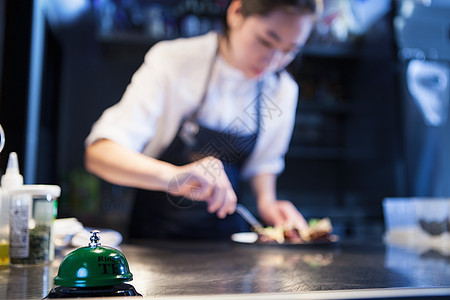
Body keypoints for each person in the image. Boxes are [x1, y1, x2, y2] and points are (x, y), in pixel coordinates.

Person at [85, 0, 322, 239]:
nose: (272, 61)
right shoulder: (174, 61)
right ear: (236, 13)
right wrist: (172, 177)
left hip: (229, 247)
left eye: (290, 50)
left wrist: (269, 204)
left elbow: (264, 165)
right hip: (154, 241)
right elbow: (99, 155)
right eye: (265, 41)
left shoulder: (281, 89)